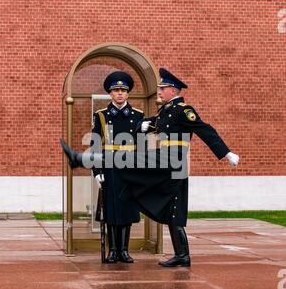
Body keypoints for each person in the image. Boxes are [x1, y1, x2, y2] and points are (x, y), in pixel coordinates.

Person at [120, 68, 240, 267]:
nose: (159, 92)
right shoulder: (166, 111)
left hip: (175, 161)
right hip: (166, 162)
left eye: (163, 88)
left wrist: (226, 153)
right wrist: (143, 125)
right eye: (159, 88)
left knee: (174, 205)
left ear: (173, 91)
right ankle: (182, 255)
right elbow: (156, 124)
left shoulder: (183, 110)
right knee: (172, 208)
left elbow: (204, 129)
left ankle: (182, 255)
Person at [61, 71, 144, 263]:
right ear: (110, 94)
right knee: (112, 211)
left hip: (130, 168)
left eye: (123, 90)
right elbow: (96, 146)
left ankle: (124, 250)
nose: (120, 94)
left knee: (127, 211)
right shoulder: (102, 116)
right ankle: (113, 250)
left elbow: (142, 147)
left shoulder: (138, 115)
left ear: (128, 93)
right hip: (110, 168)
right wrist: (97, 171)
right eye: (116, 91)